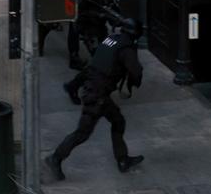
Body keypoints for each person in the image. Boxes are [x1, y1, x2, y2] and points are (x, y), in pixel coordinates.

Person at [43, 17, 145, 183]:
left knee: (118, 121)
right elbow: (136, 72)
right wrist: (134, 79)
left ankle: (123, 159)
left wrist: (74, 86)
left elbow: (93, 66)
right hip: (97, 96)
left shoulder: (111, 40)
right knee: (82, 133)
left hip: (95, 91)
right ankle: (55, 158)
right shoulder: (127, 49)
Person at [63, 0, 124, 104]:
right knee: (99, 63)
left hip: (101, 29)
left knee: (107, 59)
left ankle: (78, 86)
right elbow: (75, 9)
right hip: (89, 29)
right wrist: (96, 15)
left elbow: (113, 6)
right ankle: (77, 87)